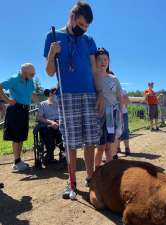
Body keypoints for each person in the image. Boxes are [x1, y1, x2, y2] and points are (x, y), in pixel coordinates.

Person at [44, 1, 104, 199]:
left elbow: (94, 70)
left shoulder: (89, 40)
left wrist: (100, 93)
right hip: (67, 95)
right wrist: (52, 54)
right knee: (71, 141)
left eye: (87, 27)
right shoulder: (53, 37)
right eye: (81, 24)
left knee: (90, 140)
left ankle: (91, 178)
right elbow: (50, 72)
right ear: (72, 17)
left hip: (88, 94)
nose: (84, 29)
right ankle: (71, 182)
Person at [0, 63, 37, 171]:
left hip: (25, 109)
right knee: (16, 136)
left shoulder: (30, 80)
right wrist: (8, 101)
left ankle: (18, 160)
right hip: (15, 109)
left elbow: (32, 93)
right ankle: (16, 162)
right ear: (24, 72)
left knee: (21, 136)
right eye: (32, 74)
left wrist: (40, 104)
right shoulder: (14, 79)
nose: (33, 75)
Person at [94, 48, 123, 168]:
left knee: (109, 146)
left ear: (109, 60)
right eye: (99, 59)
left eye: (105, 59)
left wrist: (120, 114)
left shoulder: (114, 79)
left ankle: (109, 174)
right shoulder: (93, 78)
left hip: (113, 116)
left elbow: (119, 97)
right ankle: (95, 173)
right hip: (99, 116)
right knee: (100, 147)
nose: (103, 62)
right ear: (95, 61)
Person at [37, 88, 66, 165]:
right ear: (50, 94)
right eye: (54, 93)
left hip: (59, 123)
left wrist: (59, 122)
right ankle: (49, 154)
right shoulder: (42, 104)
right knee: (47, 132)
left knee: (63, 130)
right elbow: (39, 117)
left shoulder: (60, 104)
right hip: (47, 124)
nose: (56, 95)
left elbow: (63, 115)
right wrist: (51, 122)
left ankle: (63, 153)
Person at [117, 89, 131, 156]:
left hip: (123, 113)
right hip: (114, 113)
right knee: (116, 131)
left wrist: (122, 99)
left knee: (125, 130)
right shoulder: (110, 90)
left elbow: (127, 101)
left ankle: (127, 148)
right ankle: (117, 148)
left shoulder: (123, 90)